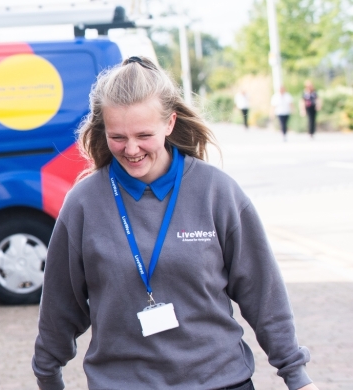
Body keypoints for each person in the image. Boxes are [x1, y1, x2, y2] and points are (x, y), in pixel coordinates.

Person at [31, 56, 317, 390]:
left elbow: (263, 293)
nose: (132, 149)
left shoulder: (217, 192)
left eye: (143, 134)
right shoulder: (83, 204)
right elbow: (58, 306)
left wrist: (295, 375)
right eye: (117, 137)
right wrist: (48, 376)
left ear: (170, 123)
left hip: (220, 382)